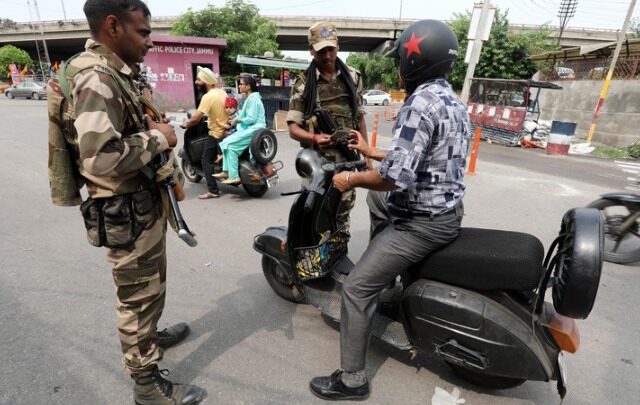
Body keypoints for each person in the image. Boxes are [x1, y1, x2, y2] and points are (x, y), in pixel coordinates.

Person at [309, 19, 471, 401]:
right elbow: (419, 156)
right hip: (447, 208)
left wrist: (350, 179)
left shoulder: (417, 104)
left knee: (355, 288)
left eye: (402, 59)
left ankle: (351, 380)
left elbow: (393, 179)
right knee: (376, 201)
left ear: (415, 61)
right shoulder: (450, 100)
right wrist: (369, 152)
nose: (399, 66)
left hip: (422, 223)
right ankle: (393, 280)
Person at [61, 1, 205, 403]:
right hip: (125, 208)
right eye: (142, 31)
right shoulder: (96, 78)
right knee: (136, 296)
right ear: (112, 26)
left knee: (150, 287)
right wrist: (161, 137)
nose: (148, 39)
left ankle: (150, 337)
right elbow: (101, 156)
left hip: (141, 203)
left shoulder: (116, 73)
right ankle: (146, 386)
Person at [287, 20, 367, 242]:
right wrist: (313, 137)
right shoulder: (303, 83)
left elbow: (359, 117)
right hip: (317, 165)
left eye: (331, 49)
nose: (327, 56)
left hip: (348, 160)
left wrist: (367, 154)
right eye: (321, 51)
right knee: (312, 213)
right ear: (311, 50)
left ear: (338, 46)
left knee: (341, 216)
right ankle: (311, 263)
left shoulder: (353, 77)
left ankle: (336, 258)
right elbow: (293, 128)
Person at [181, 66, 227, 199]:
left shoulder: (208, 97)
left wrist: (186, 124)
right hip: (225, 130)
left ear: (206, 81)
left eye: (198, 80)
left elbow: (196, 118)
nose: (196, 83)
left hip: (215, 133)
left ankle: (213, 190)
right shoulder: (222, 93)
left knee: (205, 160)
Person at [213, 74, 265, 185]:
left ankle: (234, 176)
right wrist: (235, 120)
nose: (239, 86)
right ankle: (226, 171)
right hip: (250, 129)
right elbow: (242, 115)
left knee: (230, 147)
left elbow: (251, 118)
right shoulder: (250, 98)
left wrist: (237, 121)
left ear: (248, 86)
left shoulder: (253, 99)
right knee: (226, 143)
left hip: (254, 129)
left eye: (241, 84)